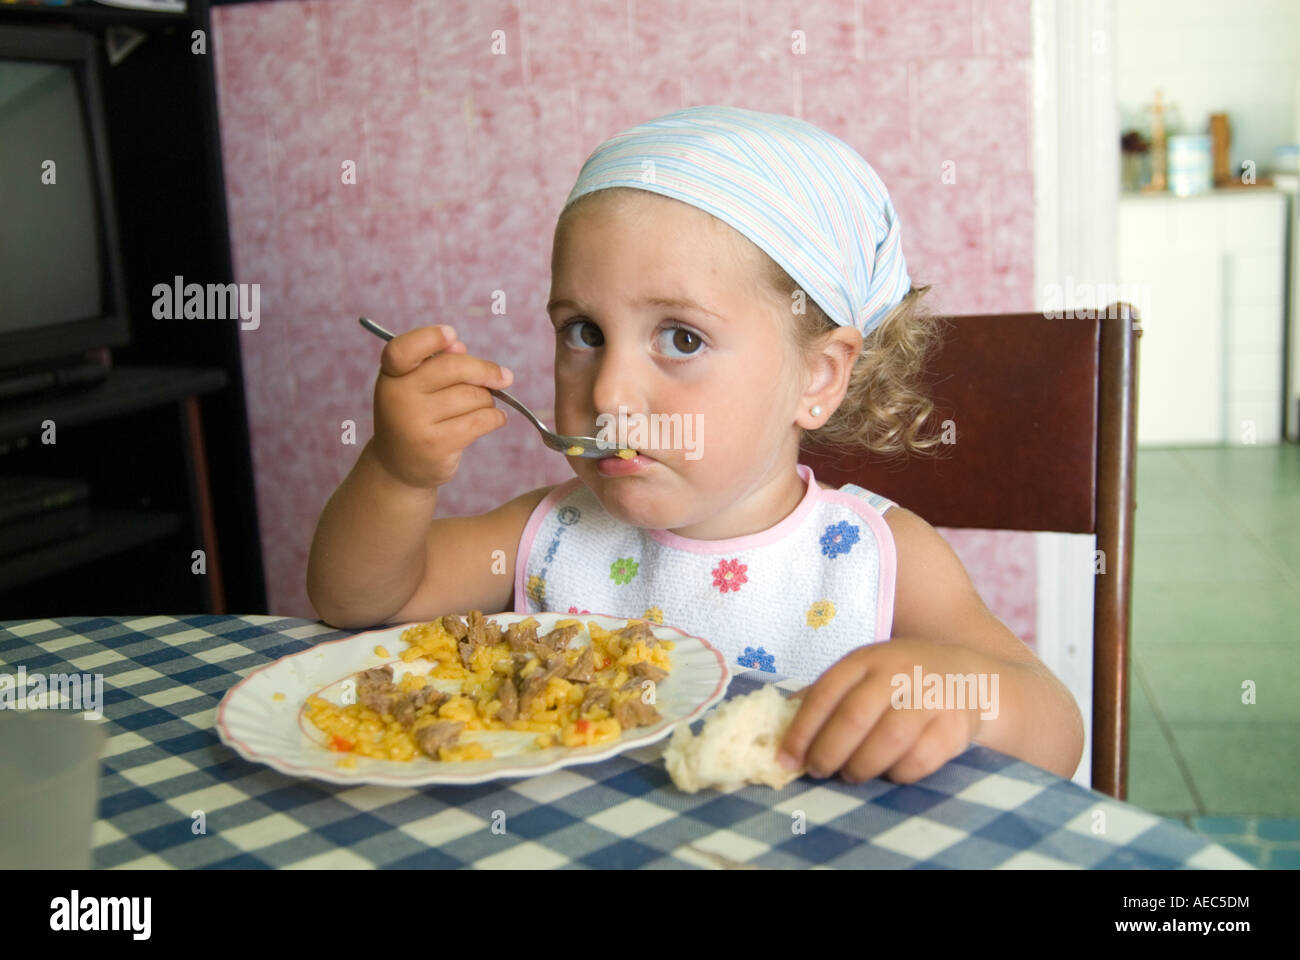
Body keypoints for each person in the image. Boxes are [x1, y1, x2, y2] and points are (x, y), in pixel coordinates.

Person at [308, 106, 1084, 785]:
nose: (608, 392)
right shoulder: (549, 536)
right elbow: (358, 600)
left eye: (681, 337)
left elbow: (1054, 728)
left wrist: (947, 689)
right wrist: (398, 474)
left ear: (817, 376)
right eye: (584, 332)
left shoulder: (872, 557)